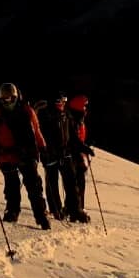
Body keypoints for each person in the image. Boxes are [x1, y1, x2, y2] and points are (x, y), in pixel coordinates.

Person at [0, 83, 51, 230]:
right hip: (6, 154)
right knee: (11, 184)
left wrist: (42, 147)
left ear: (16, 96)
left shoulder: (26, 111)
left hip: (27, 152)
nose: (7, 102)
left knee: (33, 185)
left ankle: (40, 215)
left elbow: (36, 130)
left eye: (10, 98)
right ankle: (12, 211)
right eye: (4, 99)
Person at [35, 92, 76, 221]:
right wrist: (48, 152)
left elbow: (71, 134)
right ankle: (56, 209)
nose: (63, 103)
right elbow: (43, 136)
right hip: (50, 155)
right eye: (61, 101)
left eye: (65, 101)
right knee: (52, 182)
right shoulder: (46, 115)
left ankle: (71, 209)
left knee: (70, 181)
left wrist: (77, 147)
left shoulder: (65, 114)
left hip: (64, 154)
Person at [65, 95, 96, 223]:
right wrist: (85, 148)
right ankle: (76, 210)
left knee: (76, 183)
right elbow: (74, 140)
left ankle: (73, 208)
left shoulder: (77, 119)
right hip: (73, 155)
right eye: (84, 105)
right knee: (77, 183)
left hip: (77, 154)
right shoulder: (73, 120)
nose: (85, 108)